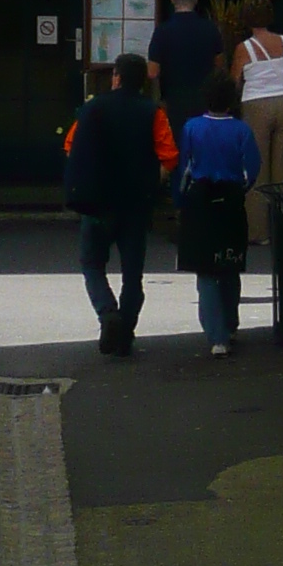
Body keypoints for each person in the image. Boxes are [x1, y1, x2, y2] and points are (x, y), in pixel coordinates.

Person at [63, 56, 178, 356]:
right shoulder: (153, 112)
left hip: (98, 201)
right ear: (142, 81)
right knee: (133, 274)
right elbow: (169, 157)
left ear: (115, 78)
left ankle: (107, 312)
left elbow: (70, 146)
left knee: (92, 264)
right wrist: (154, 179)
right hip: (135, 204)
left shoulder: (93, 108)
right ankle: (125, 331)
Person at [177, 68, 260, 356]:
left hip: (201, 200)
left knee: (206, 269)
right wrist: (241, 189)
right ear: (232, 100)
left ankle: (216, 335)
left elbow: (184, 169)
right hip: (231, 199)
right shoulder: (242, 130)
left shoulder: (191, 128)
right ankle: (231, 322)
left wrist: (181, 198)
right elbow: (252, 169)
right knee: (230, 263)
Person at [232, 0, 283, 243]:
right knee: (281, 168)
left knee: (257, 169)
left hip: (256, 105)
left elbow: (235, 80)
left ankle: (258, 232)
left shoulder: (244, 48)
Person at [149, 0, 222, 147]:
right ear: (196, 1)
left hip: (174, 101)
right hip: (204, 100)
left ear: (173, 0)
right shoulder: (210, 29)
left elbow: (152, 71)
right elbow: (220, 67)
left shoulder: (162, 31)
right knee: (203, 147)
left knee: (178, 147)